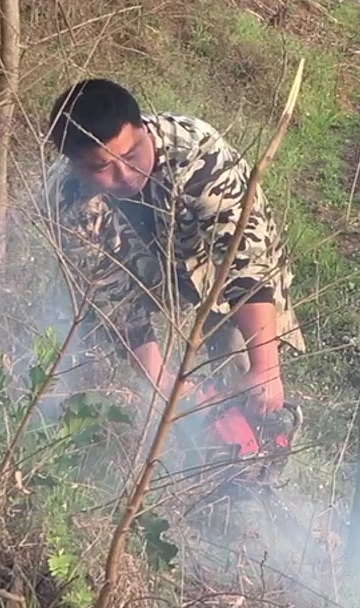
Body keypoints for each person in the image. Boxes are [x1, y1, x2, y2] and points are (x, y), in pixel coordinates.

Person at [41, 78, 305, 428]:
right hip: (143, 271)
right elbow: (114, 301)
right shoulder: (65, 202)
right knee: (133, 381)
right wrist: (167, 388)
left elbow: (245, 260)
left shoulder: (199, 153)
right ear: (76, 165)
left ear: (142, 128)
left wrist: (266, 369)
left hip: (212, 265)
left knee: (244, 372)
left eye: (132, 154)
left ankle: (257, 454)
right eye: (104, 167)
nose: (126, 174)